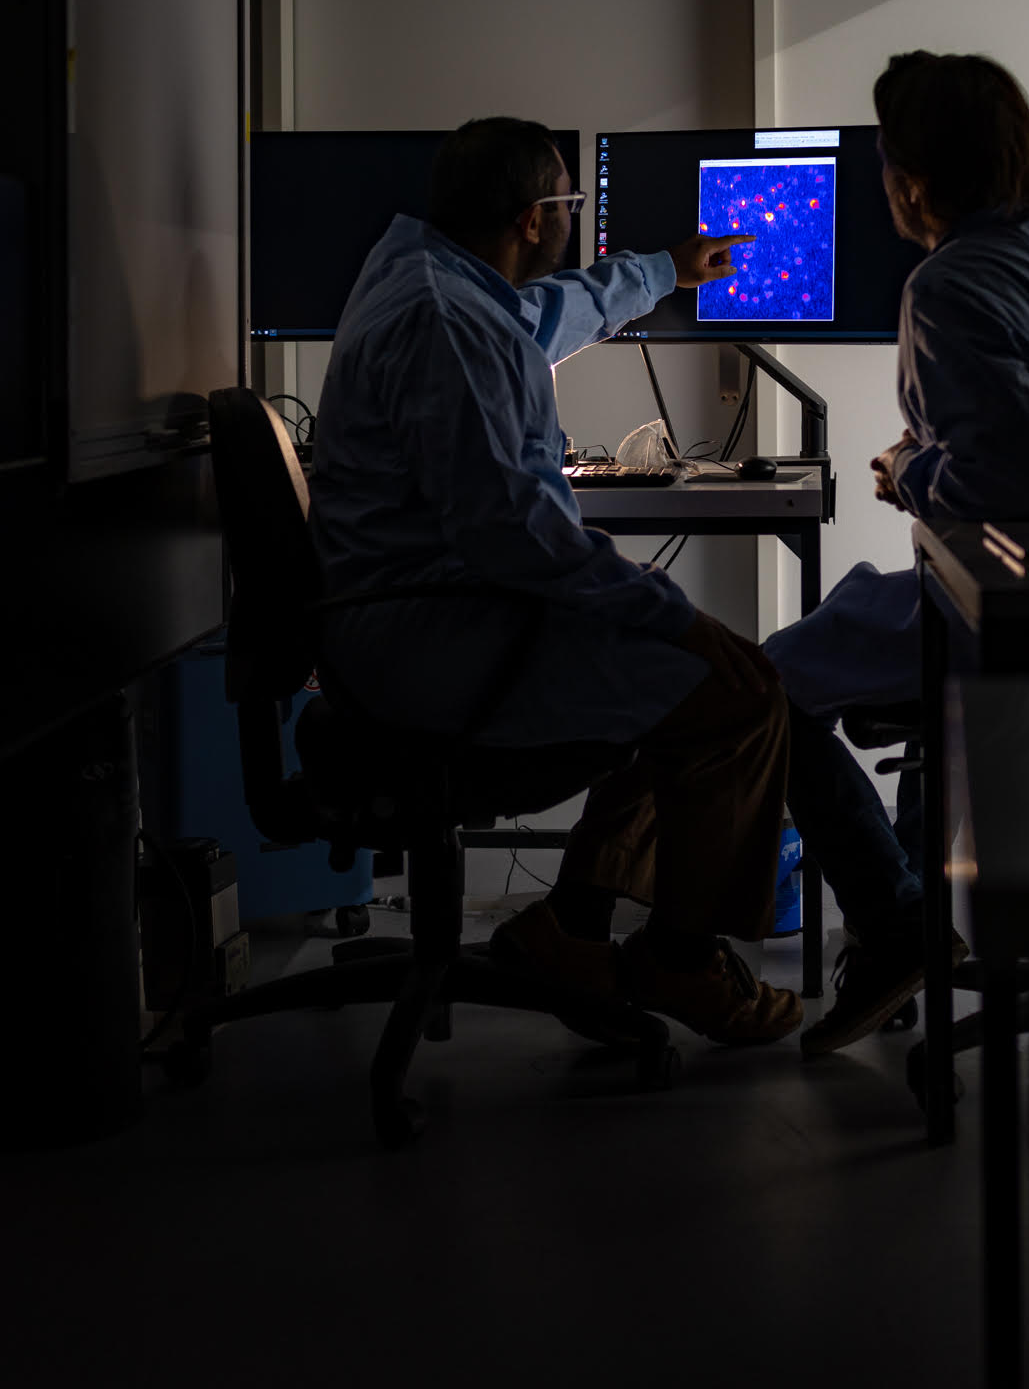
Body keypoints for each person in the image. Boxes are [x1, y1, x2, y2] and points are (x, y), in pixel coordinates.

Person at [308, 116, 802, 1047]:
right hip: (434, 637)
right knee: (736, 697)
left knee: (668, 671)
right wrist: (678, 620)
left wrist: (664, 270)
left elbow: (541, 318)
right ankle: (679, 960)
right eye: (570, 207)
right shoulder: (447, 319)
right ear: (536, 219)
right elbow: (512, 533)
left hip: (411, 619)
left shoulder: (427, 275)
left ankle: (572, 929)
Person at [769, 51, 1029, 1057]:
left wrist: (906, 468)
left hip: (1014, 606)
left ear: (913, 176)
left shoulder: (946, 283)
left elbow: (1012, 484)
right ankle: (909, 932)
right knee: (906, 661)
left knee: (760, 691)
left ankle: (897, 923)